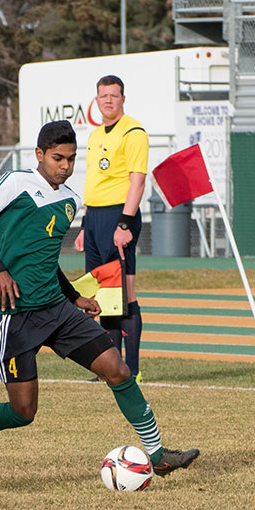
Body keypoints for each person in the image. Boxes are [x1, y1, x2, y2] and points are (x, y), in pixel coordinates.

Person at [0, 120, 198, 481]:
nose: (65, 166)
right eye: (57, 158)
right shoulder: (16, 183)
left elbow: (45, 258)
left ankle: (158, 454)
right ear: (39, 154)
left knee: (117, 370)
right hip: (15, 313)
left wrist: (74, 296)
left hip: (57, 309)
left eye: (71, 159)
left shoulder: (69, 200)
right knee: (22, 412)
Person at [74, 75, 146, 382]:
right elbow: (94, 182)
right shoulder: (94, 135)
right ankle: (111, 368)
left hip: (119, 217)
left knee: (125, 296)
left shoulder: (133, 132)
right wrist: (84, 224)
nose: (107, 101)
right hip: (94, 219)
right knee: (103, 296)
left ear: (122, 99)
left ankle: (133, 369)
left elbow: (137, 180)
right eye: (102, 96)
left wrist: (124, 223)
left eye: (113, 96)